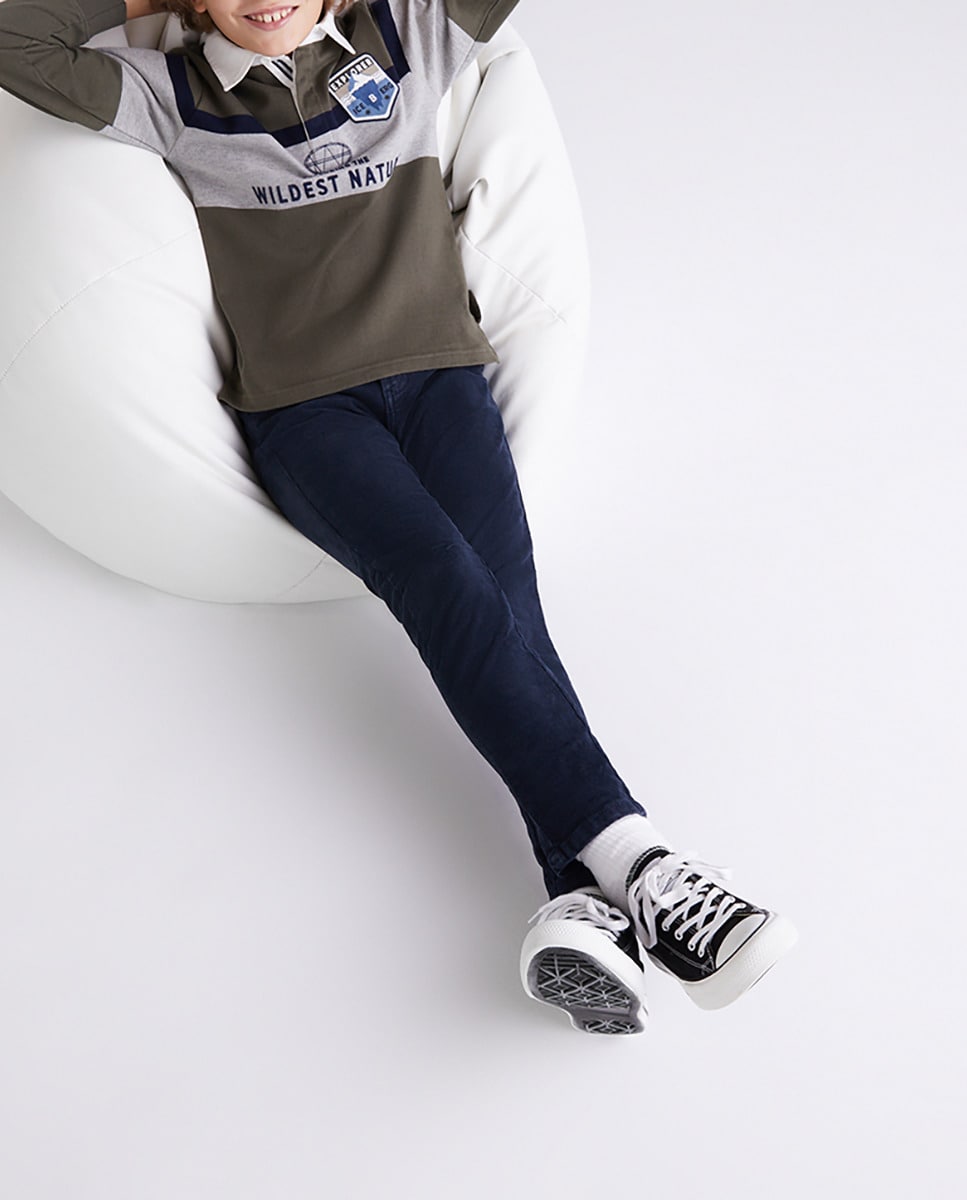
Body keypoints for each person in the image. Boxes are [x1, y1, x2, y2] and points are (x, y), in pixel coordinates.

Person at [0, 0, 797, 1035]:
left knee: (505, 607)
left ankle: (585, 903)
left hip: (445, 386)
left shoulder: (408, 37)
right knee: (446, 585)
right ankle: (643, 864)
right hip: (306, 419)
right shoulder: (165, 94)